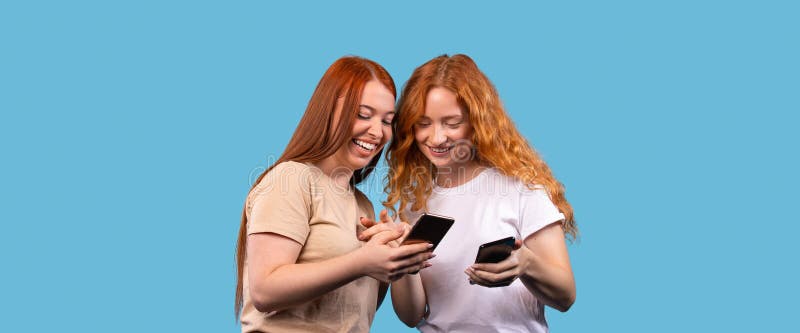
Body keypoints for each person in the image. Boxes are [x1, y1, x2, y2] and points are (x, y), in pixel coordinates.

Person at [373, 54, 578, 332]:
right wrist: (402, 263)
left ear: (477, 121)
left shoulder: (520, 190)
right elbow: (412, 316)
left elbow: (565, 296)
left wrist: (527, 264)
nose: (436, 138)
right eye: (423, 123)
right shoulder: (414, 203)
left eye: (452, 123)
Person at [234, 56, 434, 333]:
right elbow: (264, 291)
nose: (376, 132)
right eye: (363, 114)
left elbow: (359, 313)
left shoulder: (363, 206)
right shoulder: (291, 179)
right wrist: (361, 262)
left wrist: (403, 257)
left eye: (387, 121)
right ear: (328, 111)